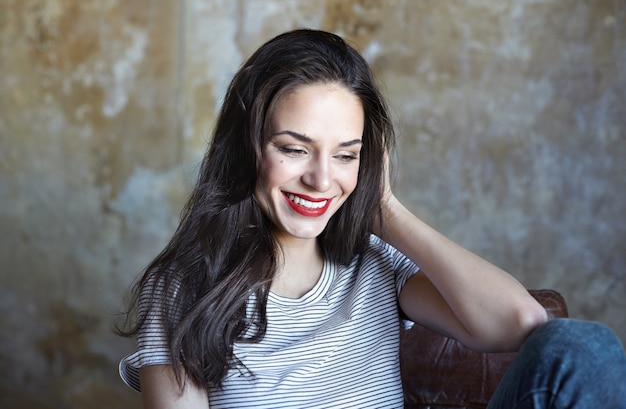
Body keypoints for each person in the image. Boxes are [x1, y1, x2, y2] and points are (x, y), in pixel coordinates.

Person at [117, 29, 626, 408]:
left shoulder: (374, 265)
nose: (321, 180)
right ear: (246, 150)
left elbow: (524, 323)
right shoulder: (183, 289)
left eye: (346, 155)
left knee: (585, 346)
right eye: (294, 149)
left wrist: (385, 211)